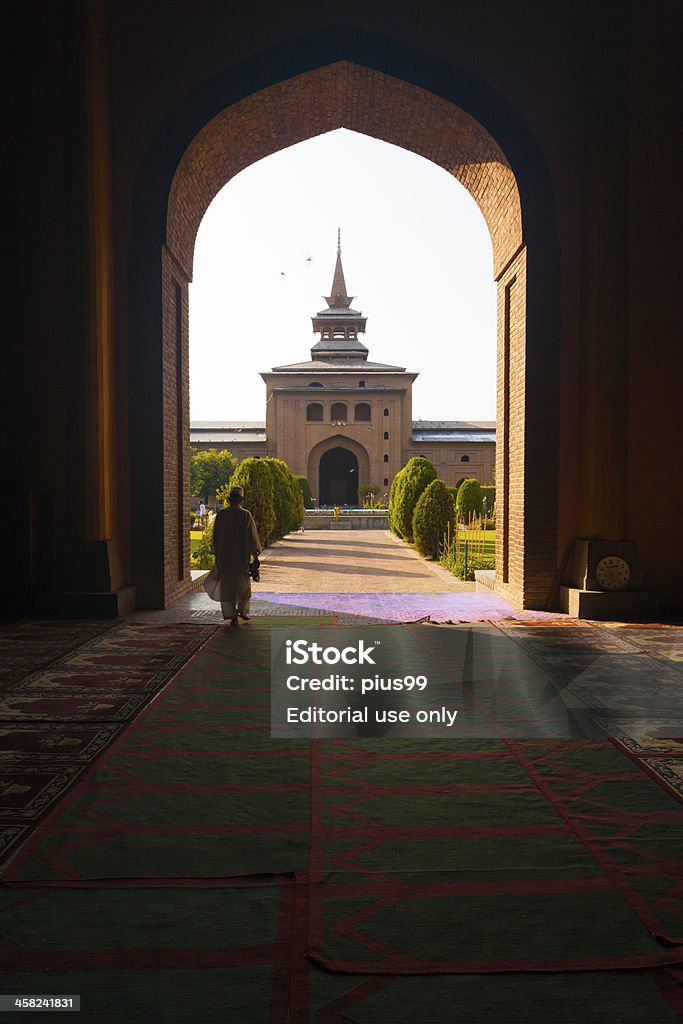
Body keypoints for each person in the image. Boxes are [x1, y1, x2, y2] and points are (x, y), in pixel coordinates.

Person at [211, 485, 262, 625]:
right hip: (241, 556)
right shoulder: (245, 515)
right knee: (243, 585)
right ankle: (242, 611)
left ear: (229, 499)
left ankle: (231, 614)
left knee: (227, 586)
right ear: (241, 500)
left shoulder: (222, 515)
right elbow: (252, 537)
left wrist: (216, 555)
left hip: (225, 556)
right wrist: (255, 556)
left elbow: (215, 537)